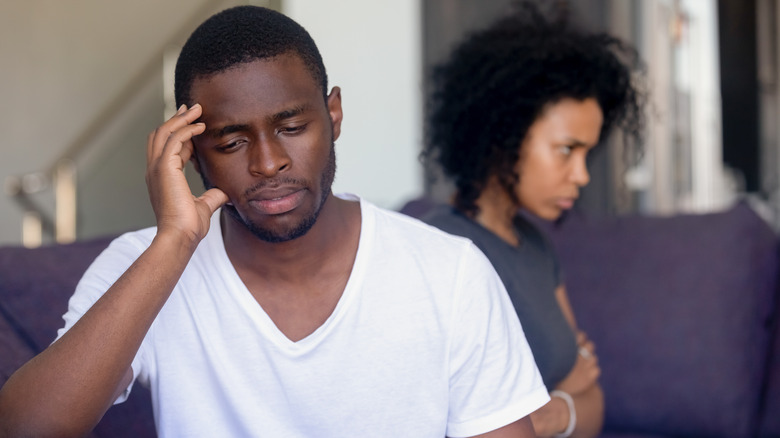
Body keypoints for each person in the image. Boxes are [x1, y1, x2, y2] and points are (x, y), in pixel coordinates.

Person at [0, 6, 549, 438]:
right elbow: (26, 428)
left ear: (333, 115)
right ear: (191, 153)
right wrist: (175, 243)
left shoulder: (448, 272)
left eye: (291, 126)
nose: (267, 163)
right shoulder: (143, 266)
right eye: (232, 141)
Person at [421, 3, 645, 438]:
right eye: (566, 150)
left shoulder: (538, 250)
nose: (581, 175)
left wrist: (551, 411)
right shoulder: (439, 248)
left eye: (587, 154)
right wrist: (564, 398)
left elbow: (594, 404)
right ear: (504, 136)